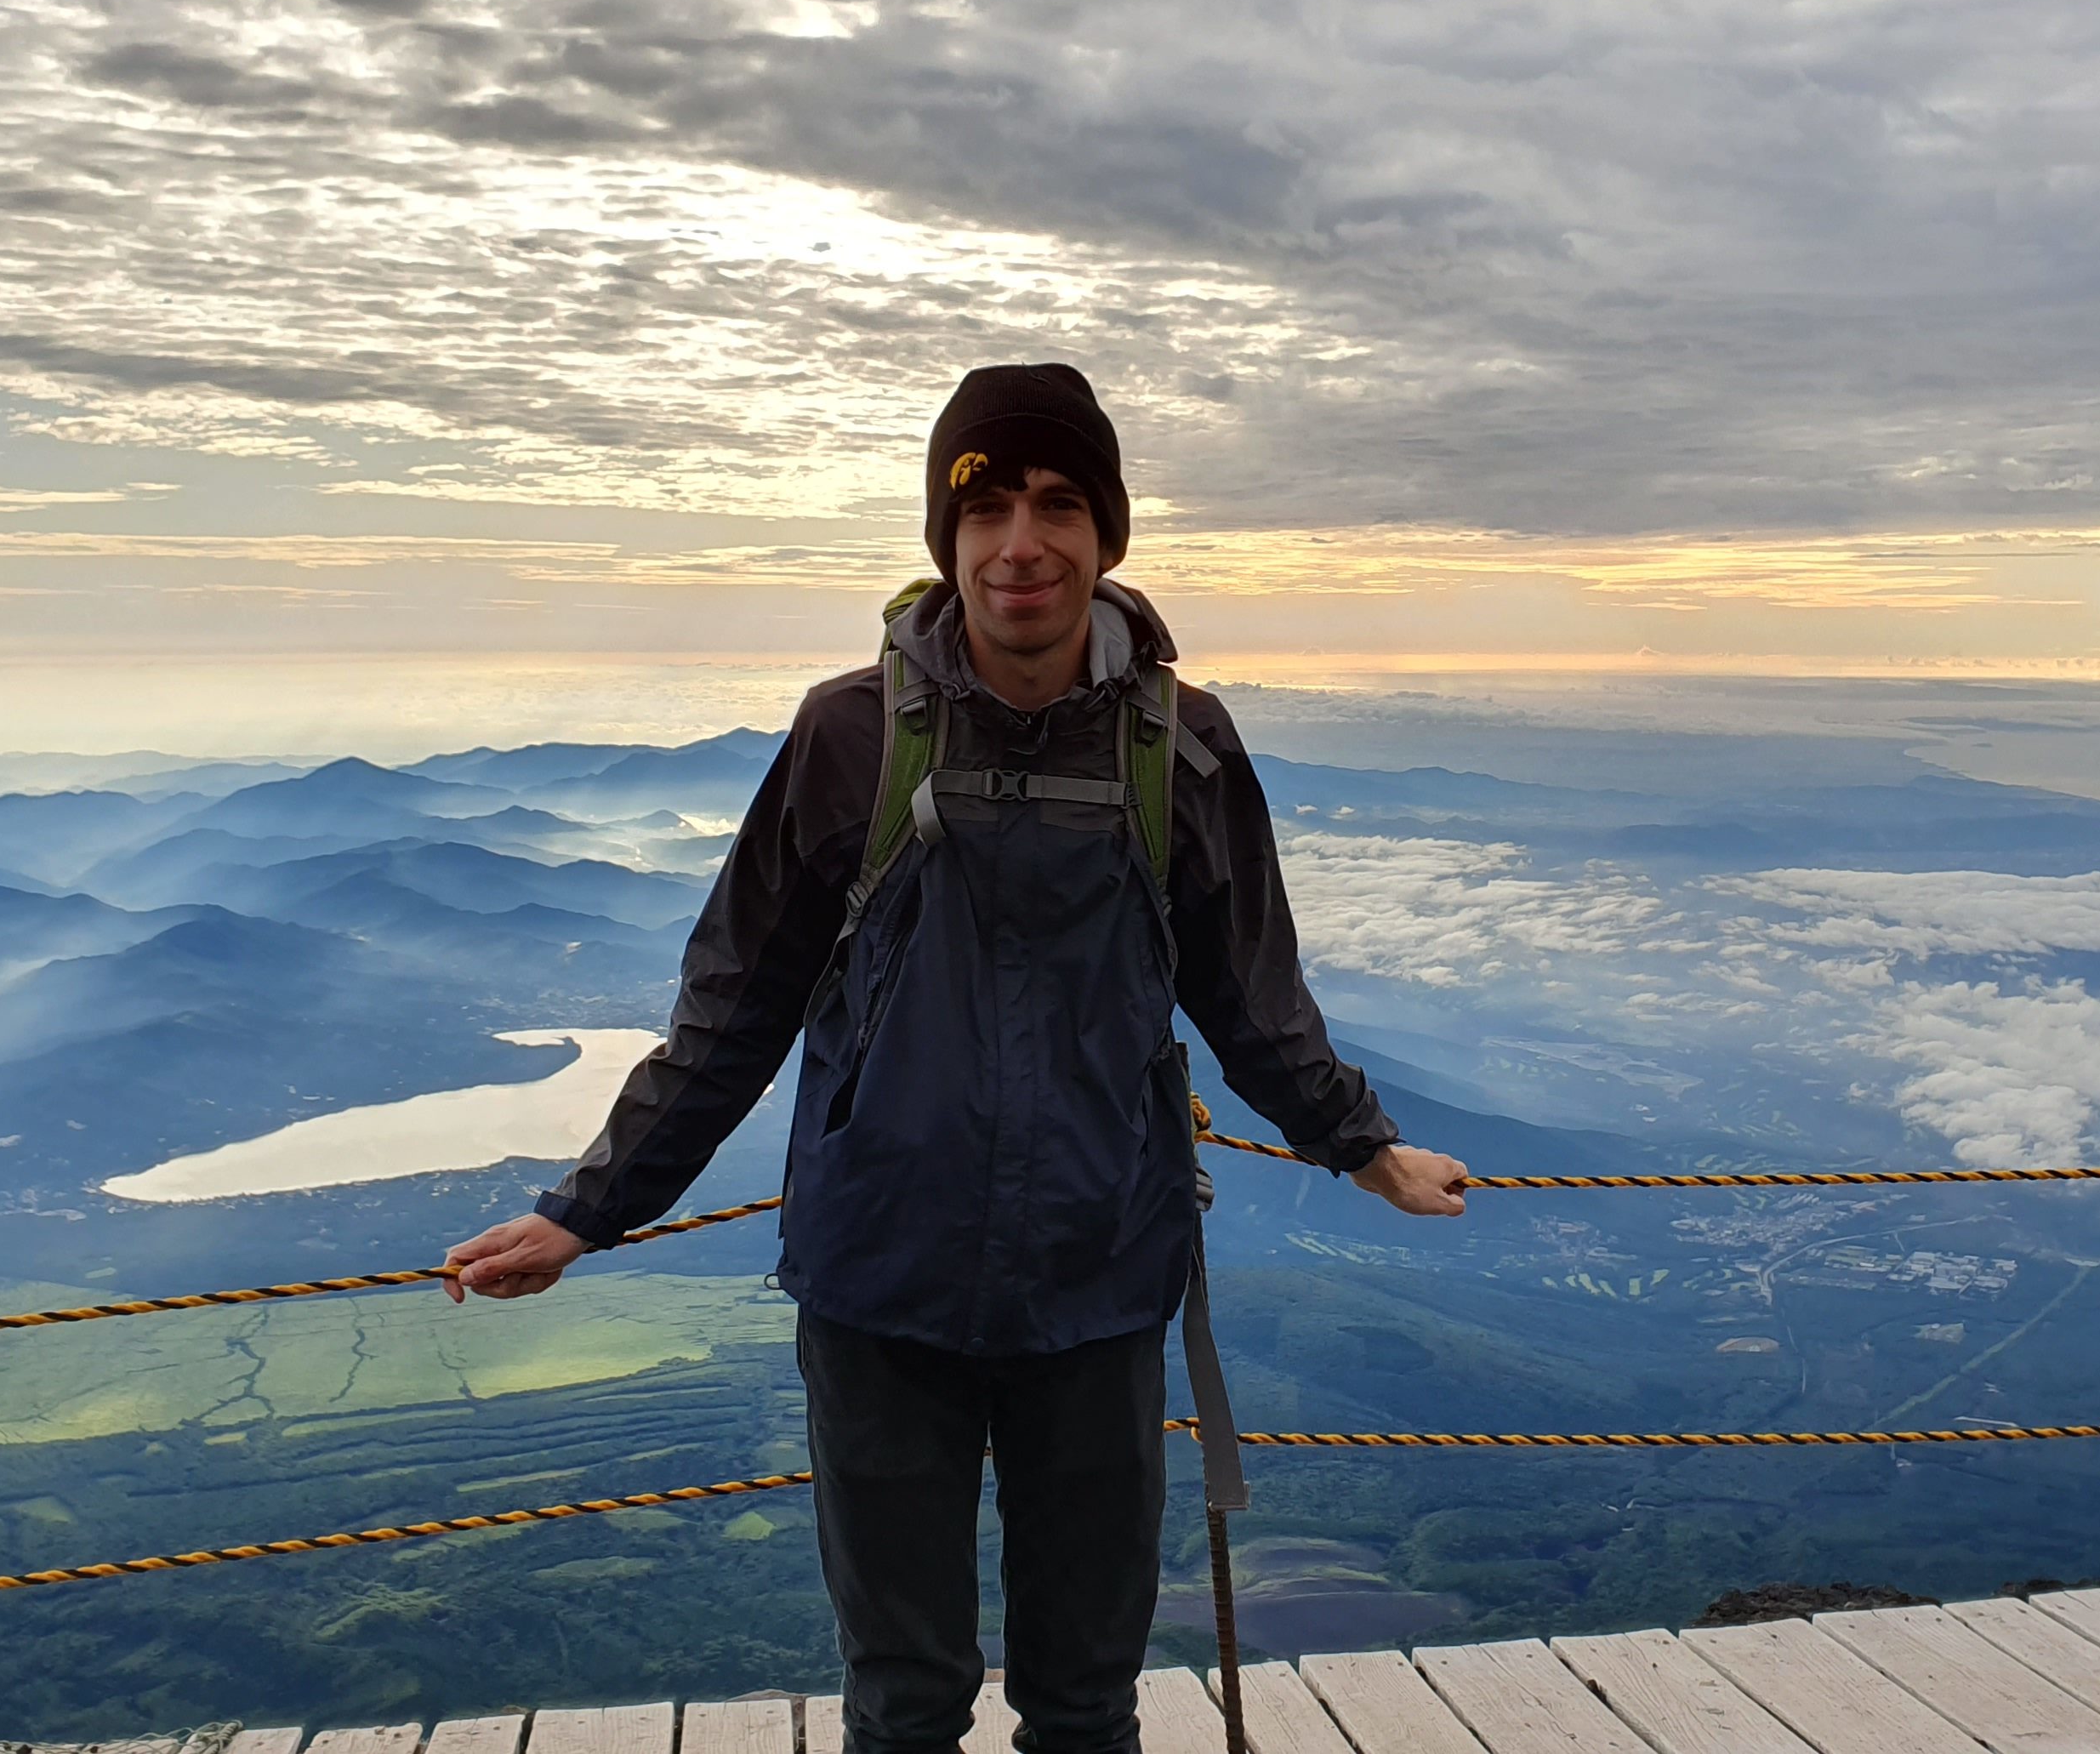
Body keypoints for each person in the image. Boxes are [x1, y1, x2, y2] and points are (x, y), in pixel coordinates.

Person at [445, 362, 1469, 1754]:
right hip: (883, 1290)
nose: (1020, 544)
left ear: (1107, 535)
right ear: (946, 537)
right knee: (906, 1701)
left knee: (1087, 1703)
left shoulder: (1184, 743)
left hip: (1098, 1282)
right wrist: (590, 1209)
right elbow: (734, 1006)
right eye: (985, 510)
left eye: (1059, 506)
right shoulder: (851, 734)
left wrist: (1360, 1144)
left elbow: (1250, 993)